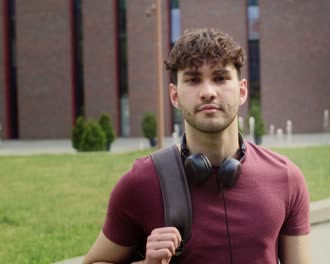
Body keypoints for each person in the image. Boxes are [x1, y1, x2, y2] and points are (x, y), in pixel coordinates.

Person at [83, 28, 311, 264]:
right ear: (174, 96)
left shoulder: (286, 177)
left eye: (220, 78)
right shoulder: (140, 181)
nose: (208, 92)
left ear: (242, 91)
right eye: (193, 80)